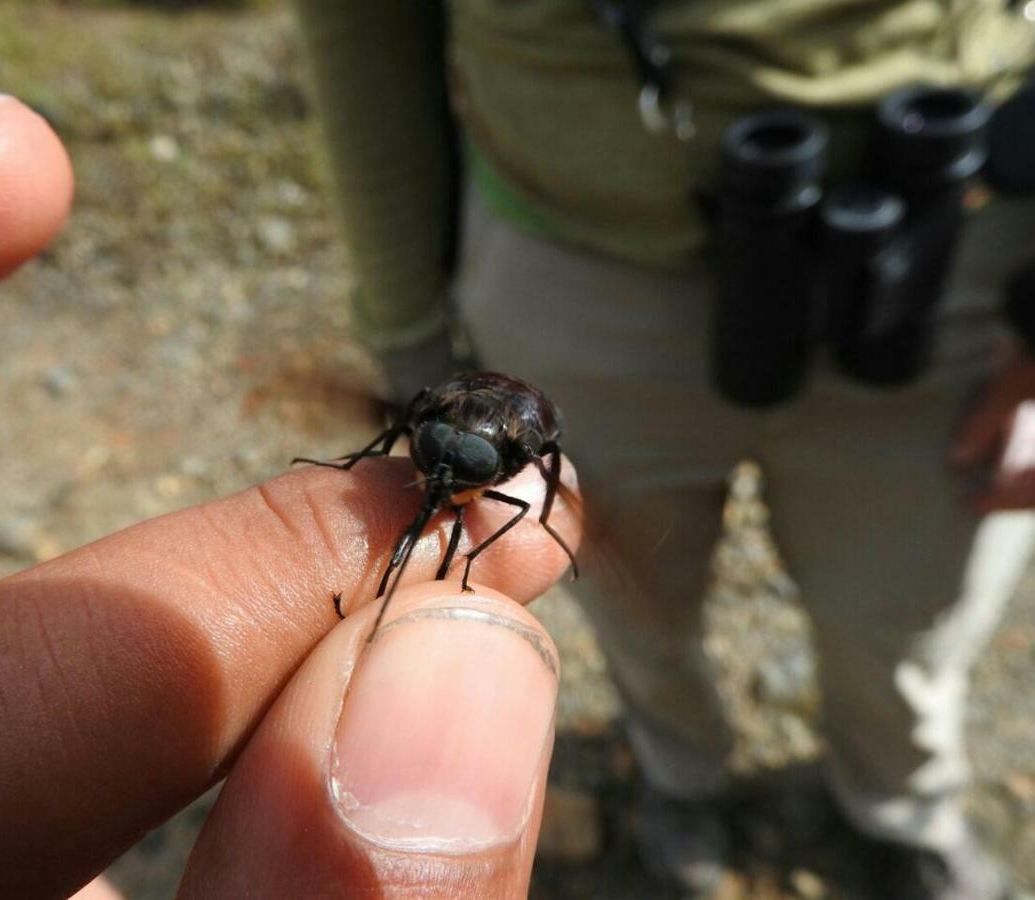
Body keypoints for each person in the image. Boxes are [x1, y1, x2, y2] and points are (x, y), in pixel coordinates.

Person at [294, 1, 1035, 896]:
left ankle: (904, 804)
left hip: (946, 238)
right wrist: (409, 329)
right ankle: (683, 777)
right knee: (622, 589)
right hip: (576, 247)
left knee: (911, 610)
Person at [0, 92, 581, 898]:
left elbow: (527, 461)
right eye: (433, 462)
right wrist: (381, 460)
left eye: (458, 476)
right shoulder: (434, 430)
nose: (439, 485)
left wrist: (489, 552)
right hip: (464, 404)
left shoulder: (506, 454)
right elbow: (411, 420)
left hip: (501, 409)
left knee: (483, 526)